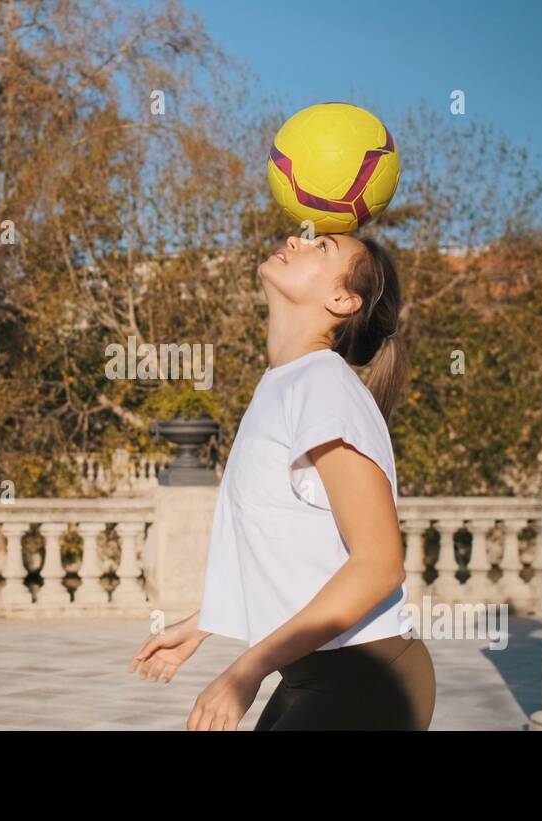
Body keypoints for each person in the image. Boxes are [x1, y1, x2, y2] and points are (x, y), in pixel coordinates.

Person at [128, 231, 435, 730]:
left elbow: (379, 566)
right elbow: (289, 547)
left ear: (342, 300)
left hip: (364, 677)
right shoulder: (286, 382)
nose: (295, 238)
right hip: (320, 673)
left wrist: (245, 671)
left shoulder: (323, 385)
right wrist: (206, 622)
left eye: (322, 247)